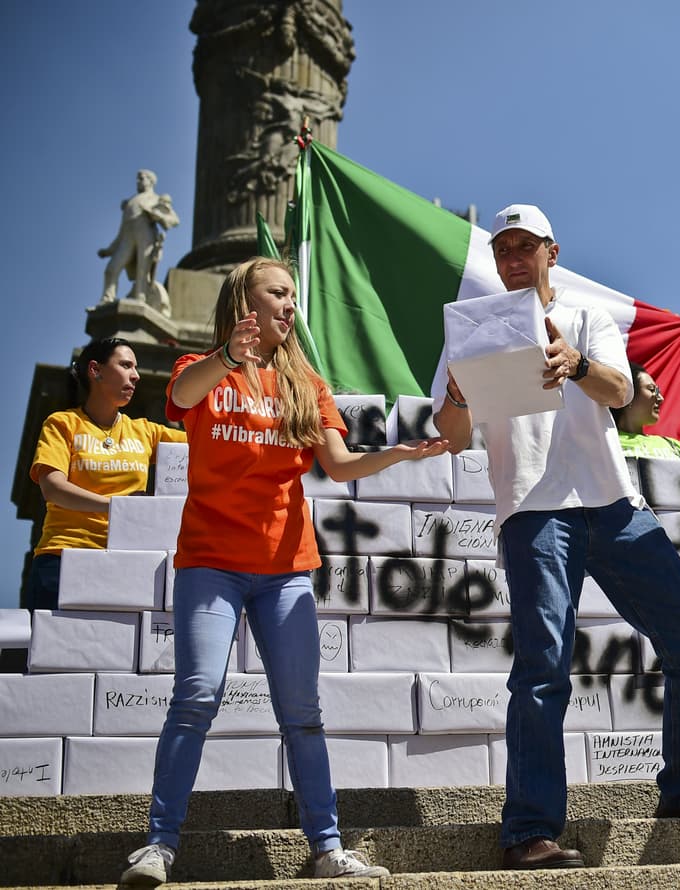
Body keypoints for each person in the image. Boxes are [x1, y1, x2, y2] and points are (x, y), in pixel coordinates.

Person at [434, 204, 680, 871]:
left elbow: (620, 391)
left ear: (552, 252)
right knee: (542, 667)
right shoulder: (473, 331)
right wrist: (464, 392)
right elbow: (449, 432)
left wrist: (574, 362)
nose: (513, 258)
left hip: (612, 503)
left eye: (526, 246)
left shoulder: (589, 318)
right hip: (532, 510)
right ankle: (529, 829)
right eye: (503, 250)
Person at [120, 258, 450, 886]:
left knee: (302, 712)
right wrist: (228, 354)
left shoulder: (305, 381)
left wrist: (402, 453)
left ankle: (327, 848)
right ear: (244, 300)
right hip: (210, 561)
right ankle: (159, 847)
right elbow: (182, 400)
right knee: (195, 697)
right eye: (278, 292)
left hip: (284, 568)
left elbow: (340, 465)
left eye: (293, 295)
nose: (290, 304)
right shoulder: (201, 370)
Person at [26, 337, 186, 610]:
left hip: (125, 562)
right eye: (125, 365)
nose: (135, 376)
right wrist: (119, 507)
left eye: (136, 368)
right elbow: (52, 487)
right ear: (95, 370)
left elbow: (206, 443)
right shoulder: (63, 424)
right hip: (62, 558)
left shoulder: (147, 432)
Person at [99, 169, 180, 313]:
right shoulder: (131, 202)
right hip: (128, 239)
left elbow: (173, 220)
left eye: (141, 179)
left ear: (150, 181)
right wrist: (109, 250)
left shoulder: (156, 199)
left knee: (143, 271)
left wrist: (155, 214)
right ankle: (107, 299)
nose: (138, 182)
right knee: (111, 269)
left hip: (146, 237)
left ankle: (140, 299)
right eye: (138, 179)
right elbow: (122, 232)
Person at [611, 362, 680, 459]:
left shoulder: (674, 446)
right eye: (652, 389)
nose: (660, 398)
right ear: (629, 394)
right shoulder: (605, 444)